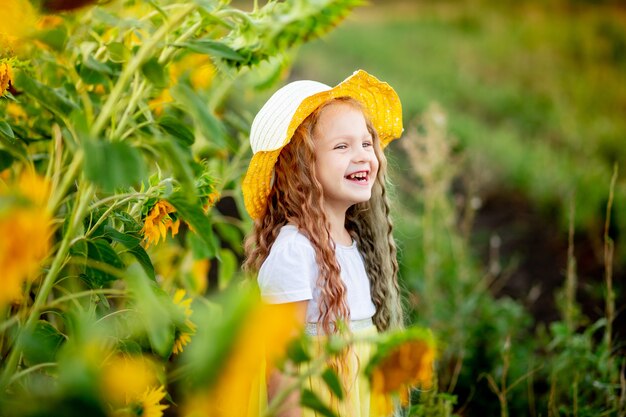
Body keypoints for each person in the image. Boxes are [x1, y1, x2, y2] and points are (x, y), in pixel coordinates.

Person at [242, 70, 404, 417]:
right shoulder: (294, 252)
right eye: (342, 146)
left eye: (366, 142)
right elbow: (281, 372)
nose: (363, 155)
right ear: (300, 168)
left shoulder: (351, 242)